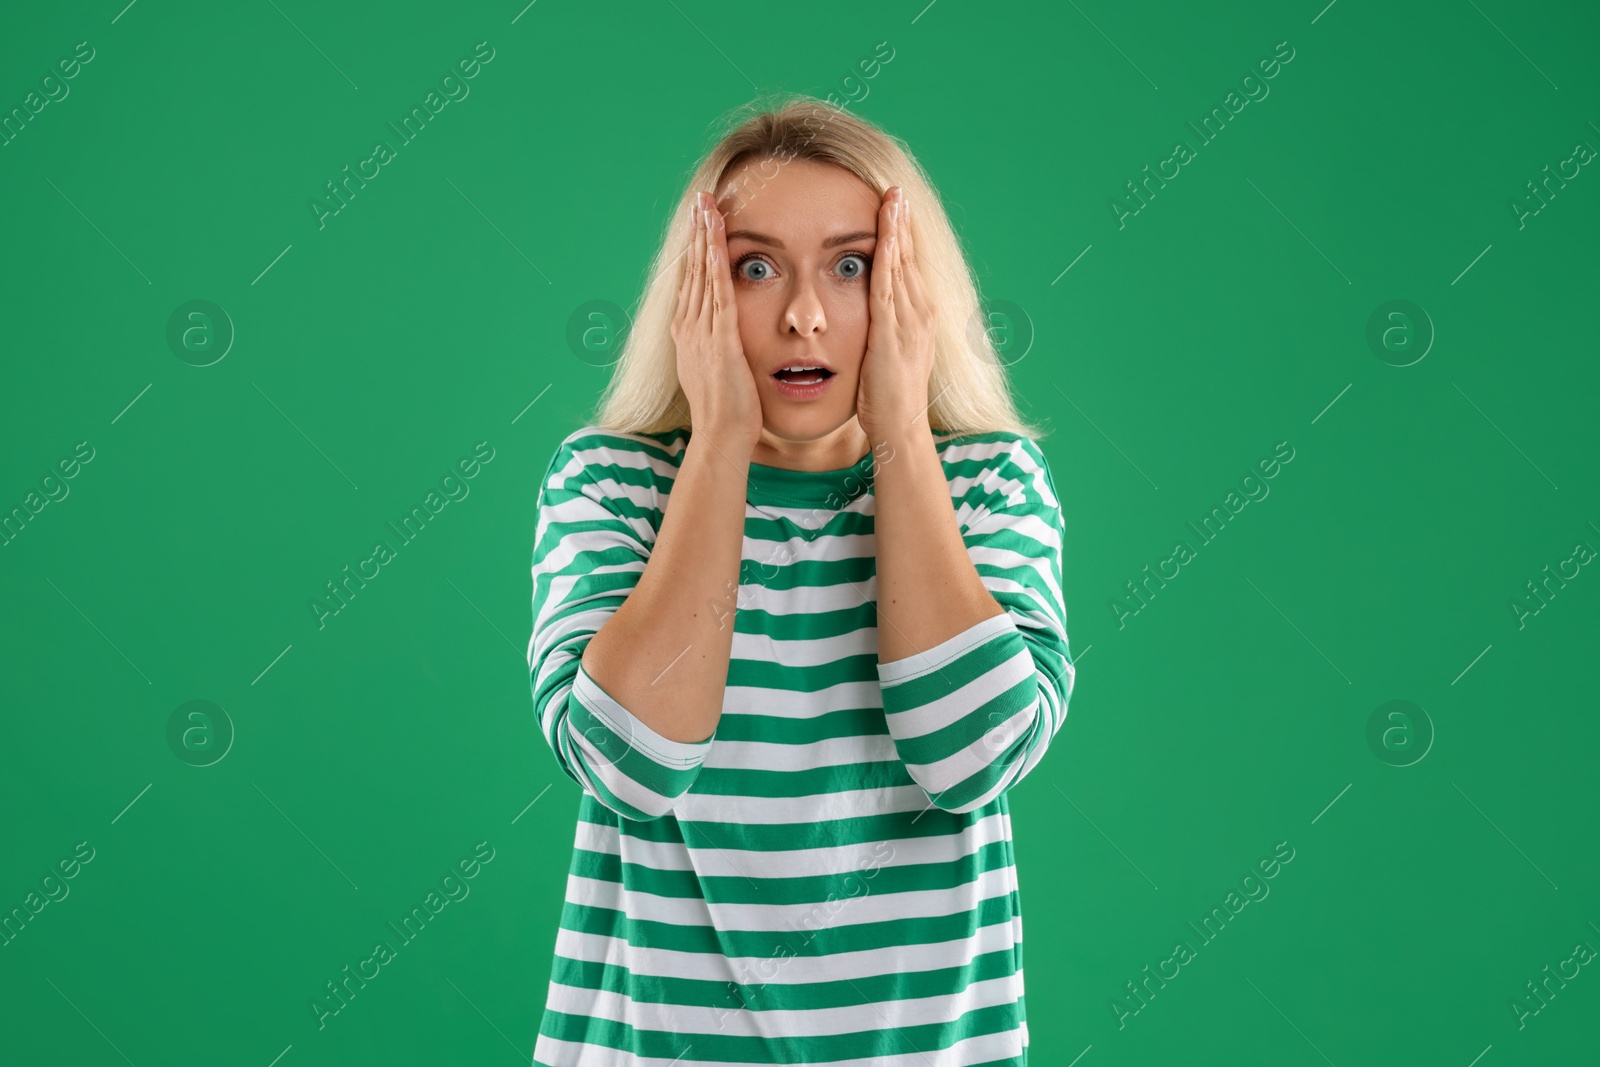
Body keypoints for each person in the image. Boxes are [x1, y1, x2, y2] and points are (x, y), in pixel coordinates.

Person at [527, 93, 1075, 1066]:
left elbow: (973, 756)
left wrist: (904, 433)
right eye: (753, 266)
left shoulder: (988, 482)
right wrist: (723, 441)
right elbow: (628, 764)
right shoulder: (610, 484)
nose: (804, 314)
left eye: (853, 264)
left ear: (913, 288)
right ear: (694, 289)